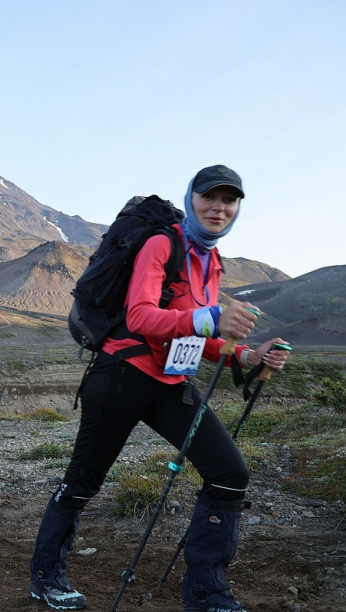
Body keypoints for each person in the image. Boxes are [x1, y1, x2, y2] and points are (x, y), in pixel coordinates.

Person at [28, 165, 290, 611]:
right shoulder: (162, 243)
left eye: (229, 201)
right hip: (122, 376)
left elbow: (193, 334)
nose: (219, 207)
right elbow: (140, 317)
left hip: (171, 381)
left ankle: (207, 593)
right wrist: (210, 318)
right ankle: (45, 577)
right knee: (82, 483)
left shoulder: (212, 261)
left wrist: (245, 355)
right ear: (191, 198)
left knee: (230, 473)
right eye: (210, 197)